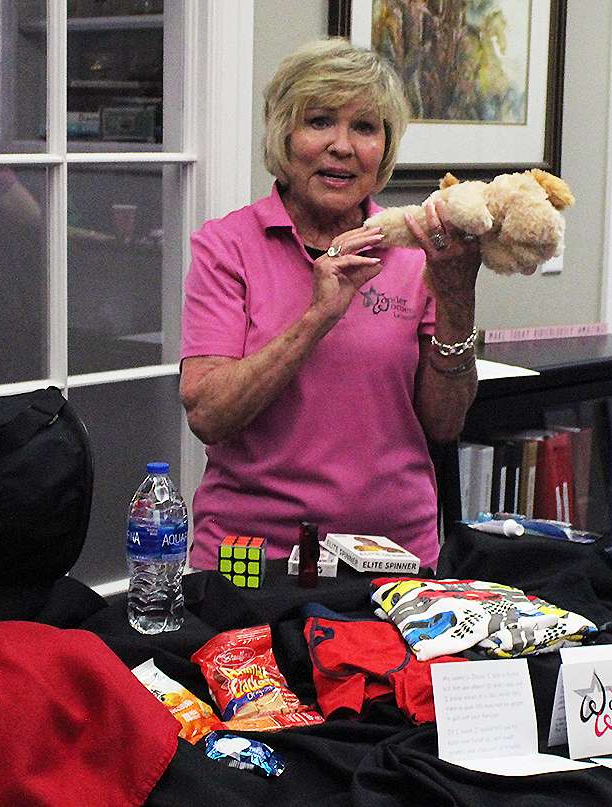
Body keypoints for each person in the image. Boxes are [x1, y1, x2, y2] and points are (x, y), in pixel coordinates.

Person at [179, 38, 484, 570]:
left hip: (396, 556)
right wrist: (319, 315)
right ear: (284, 136)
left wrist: (457, 296)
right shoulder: (227, 246)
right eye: (319, 121)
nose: (342, 146)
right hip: (251, 556)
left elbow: (444, 423)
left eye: (364, 128)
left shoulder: (416, 253)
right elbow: (208, 414)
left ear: (383, 149)